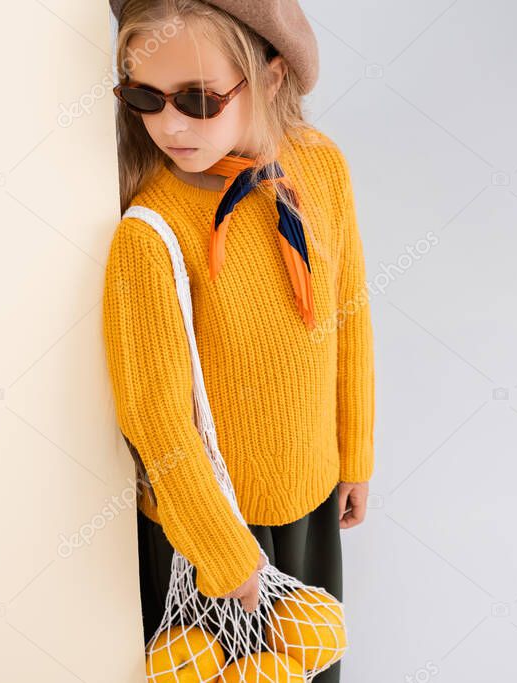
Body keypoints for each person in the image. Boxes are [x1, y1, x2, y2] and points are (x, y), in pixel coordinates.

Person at [102, 1, 375, 680]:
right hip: (208, 528)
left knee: (311, 666)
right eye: (144, 97)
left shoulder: (321, 167)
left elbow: (349, 314)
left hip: (309, 496)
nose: (168, 125)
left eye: (197, 99)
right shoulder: (151, 229)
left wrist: (355, 450)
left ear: (272, 78)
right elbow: (154, 413)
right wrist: (220, 547)